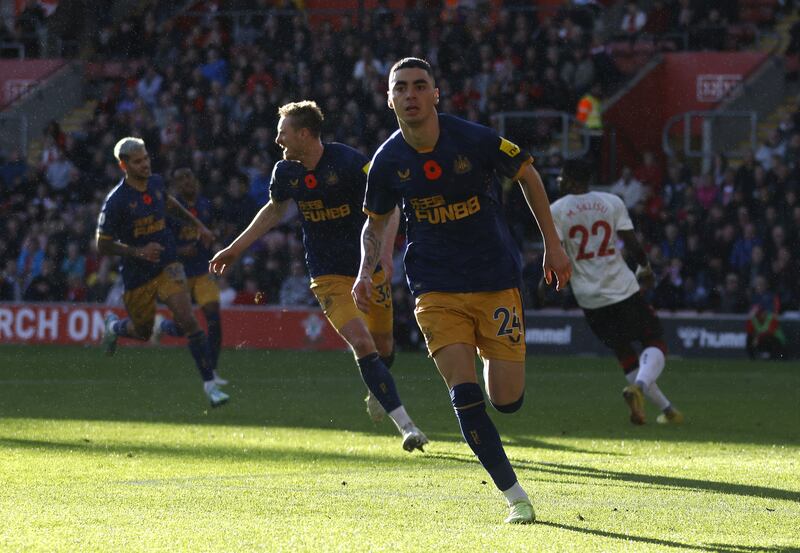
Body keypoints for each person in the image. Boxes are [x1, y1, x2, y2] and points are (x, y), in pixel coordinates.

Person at [352, 58, 572, 525]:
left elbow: (528, 175)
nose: (410, 95)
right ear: (389, 99)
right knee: (463, 393)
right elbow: (374, 225)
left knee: (506, 400)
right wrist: (365, 269)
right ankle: (516, 496)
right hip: (435, 288)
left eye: (419, 86)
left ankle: (497, 374)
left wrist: (553, 245)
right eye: (400, 89)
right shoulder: (388, 161)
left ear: (436, 94)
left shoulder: (474, 138)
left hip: (496, 281)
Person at [209, 100, 427, 452]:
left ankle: (378, 391)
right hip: (327, 277)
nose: (278, 141)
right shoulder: (285, 172)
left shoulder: (349, 163)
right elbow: (273, 212)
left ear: (304, 134)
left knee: (385, 347)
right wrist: (235, 248)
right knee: (363, 343)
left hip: (367, 271)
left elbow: (388, 209)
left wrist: (385, 255)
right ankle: (407, 427)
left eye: (283, 133)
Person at [547, 159, 683, 426]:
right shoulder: (611, 201)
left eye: (562, 177)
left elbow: (555, 253)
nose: (559, 182)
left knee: (625, 353)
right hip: (621, 288)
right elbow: (632, 243)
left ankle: (667, 410)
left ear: (574, 181)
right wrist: (644, 266)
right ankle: (640, 388)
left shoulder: (555, 211)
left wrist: (548, 284)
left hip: (589, 298)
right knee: (655, 340)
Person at [96, 137, 229, 408]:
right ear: (124, 165)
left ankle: (211, 386)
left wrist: (199, 225)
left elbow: (169, 204)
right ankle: (115, 327)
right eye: (138, 161)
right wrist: (138, 252)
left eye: (146, 158)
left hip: (168, 263)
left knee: (188, 321)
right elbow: (102, 245)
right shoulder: (116, 201)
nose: (145, 164)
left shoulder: (155, 183)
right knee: (142, 332)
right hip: (137, 273)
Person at [150, 168, 228, 387]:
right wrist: (182, 250)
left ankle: (211, 371)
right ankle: (163, 326)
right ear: (175, 186)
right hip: (179, 273)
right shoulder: (170, 212)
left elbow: (212, 230)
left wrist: (215, 239)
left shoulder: (205, 205)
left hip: (203, 272)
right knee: (183, 327)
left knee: (213, 319)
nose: (187, 184)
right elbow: (163, 243)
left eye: (190, 179)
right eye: (182, 181)